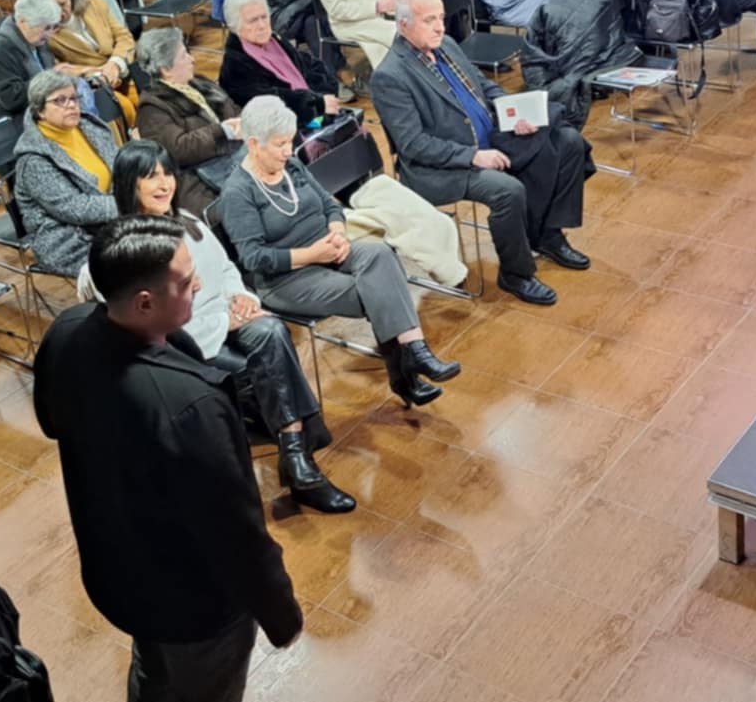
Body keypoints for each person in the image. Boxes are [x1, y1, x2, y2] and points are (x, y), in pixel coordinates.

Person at [33, 214, 304, 702]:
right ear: (144, 302)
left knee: (153, 675)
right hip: (193, 604)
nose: (198, 284)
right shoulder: (188, 405)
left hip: (118, 572)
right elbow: (235, 529)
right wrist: (280, 613)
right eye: (185, 281)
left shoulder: (67, 331)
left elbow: (52, 422)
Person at [79, 140, 355, 514]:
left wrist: (241, 297)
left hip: (226, 319)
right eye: (151, 177)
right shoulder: (123, 249)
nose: (164, 184)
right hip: (185, 344)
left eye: (167, 174)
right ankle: (300, 458)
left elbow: (225, 268)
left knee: (271, 330)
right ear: (130, 183)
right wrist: (225, 321)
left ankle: (294, 456)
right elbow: (157, 328)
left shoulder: (187, 221)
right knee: (266, 368)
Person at [218, 96, 460, 408]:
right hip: (286, 278)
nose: (288, 151)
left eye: (289, 142)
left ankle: (414, 354)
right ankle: (408, 371)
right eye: (279, 144)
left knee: (381, 255)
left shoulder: (291, 166)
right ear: (253, 144)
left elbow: (330, 205)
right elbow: (254, 258)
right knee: (379, 289)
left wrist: (338, 233)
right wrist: (312, 255)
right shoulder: (238, 192)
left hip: (329, 249)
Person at [371, 0, 592, 308]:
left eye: (441, 18)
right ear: (403, 24)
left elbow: (484, 86)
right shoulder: (390, 76)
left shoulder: (446, 45)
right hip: (443, 166)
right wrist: (473, 156)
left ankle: (547, 234)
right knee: (507, 190)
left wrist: (515, 113)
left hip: (490, 137)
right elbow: (414, 145)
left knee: (569, 141)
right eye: (429, 20)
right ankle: (516, 274)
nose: (440, 27)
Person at [11, 71, 122, 279]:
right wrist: (128, 203)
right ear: (40, 111)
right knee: (139, 258)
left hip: (108, 220)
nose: (71, 105)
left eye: (73, 98)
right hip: (69, 240)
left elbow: (120, 165)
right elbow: (75, 209)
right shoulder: (33, 160)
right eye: (60, 100)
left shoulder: (88, 126)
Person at [134, 28, 240, 217]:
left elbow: (232, 109)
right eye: (184, 55)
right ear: (166, 70)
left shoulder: (200, 83)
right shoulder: (152, 108)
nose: (192, 59)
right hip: (196, 179)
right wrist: (221, 131)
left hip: (231, 158)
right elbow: (177, 150)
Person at [0, 0, 95, 128]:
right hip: (5, 126)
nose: (50, 34)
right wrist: (52, 77)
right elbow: (12, 99)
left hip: (37, 113)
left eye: (52, 27)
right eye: (46, 28)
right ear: (22, 21)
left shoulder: (37, 40)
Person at [218, 0, 341, 129]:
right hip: (282, 131)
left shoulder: (275, 41)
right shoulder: (235, 65)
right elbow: (267, 105)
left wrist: (324, 95)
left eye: (264, 17)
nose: (262, 25)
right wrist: (317, 104)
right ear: (235, 26)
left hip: (319, 115)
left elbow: (312, 66)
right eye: (252, 21)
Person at [39, 0, 138, 129]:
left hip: (123, 68)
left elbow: (124, 37)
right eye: (52, 7)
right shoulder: (45, 33)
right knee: (125, 108)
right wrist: (99, 72)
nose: (60, 12)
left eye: (63, 4)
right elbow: (59, 69)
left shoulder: (94, 3)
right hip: (94, 84)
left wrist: (115, 63)